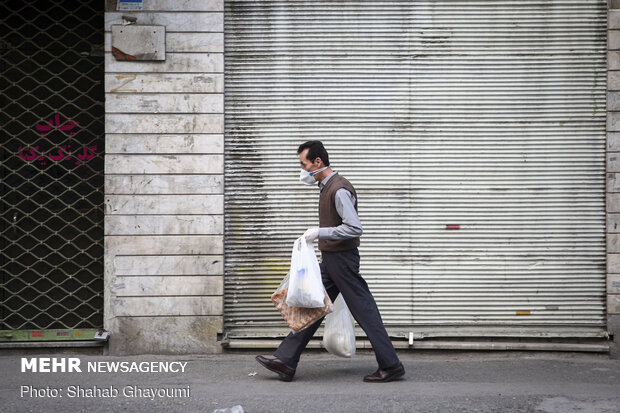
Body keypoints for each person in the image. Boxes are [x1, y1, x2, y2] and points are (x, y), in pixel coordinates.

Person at [256, 140, 405, 383]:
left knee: (364, 311)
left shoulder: (339, 189)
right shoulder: (326, 186)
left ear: (318, 162)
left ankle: (391, 365)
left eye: (304, 165)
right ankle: (286, 360)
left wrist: (320, 232)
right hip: (332, 260)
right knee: (313, 307)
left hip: (343, 262)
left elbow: (354, 228)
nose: (302, 171)